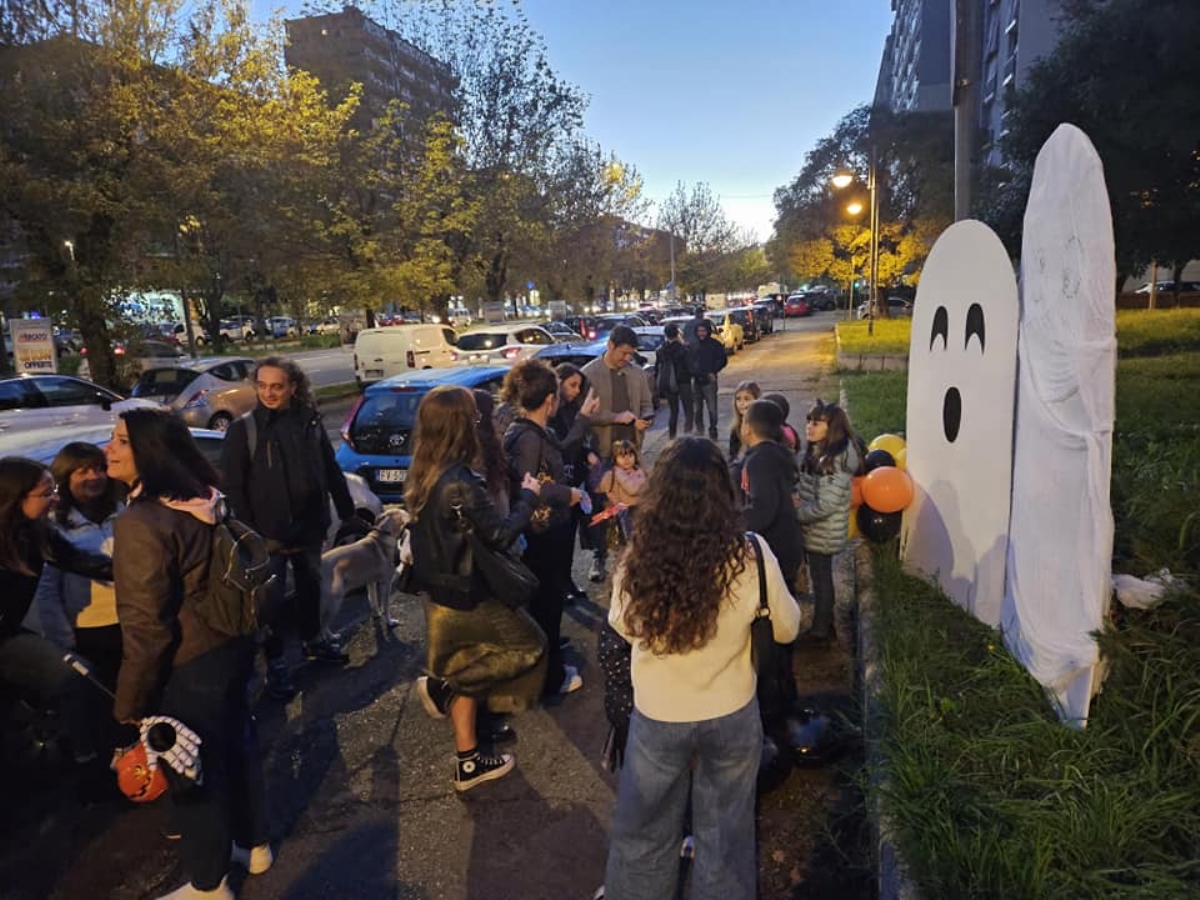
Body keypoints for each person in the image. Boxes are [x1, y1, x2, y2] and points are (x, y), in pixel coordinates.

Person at [603, 438, 801, 898]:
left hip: (657, 714)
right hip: (732, 710)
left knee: (644, 836)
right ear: (724, 491)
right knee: (726, 836)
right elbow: (788, 628)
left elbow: (625, 627)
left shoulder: (638, 558)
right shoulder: (750, 553)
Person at [106, 409, 271, 900]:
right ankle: (255, 845)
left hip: (189, 663)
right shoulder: (203, 499)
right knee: (237, 749)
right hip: (232, 646)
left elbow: (145, 628)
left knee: (192, 772)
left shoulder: (142, 523)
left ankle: (207, 883)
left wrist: (128, 705)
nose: (107, 450)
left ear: (149, 453)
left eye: (120, 442)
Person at [408, 386, 548, 791]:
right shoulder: (459, 480)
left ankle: (468, 762)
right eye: (472, 417)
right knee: (529, 646)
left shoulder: (423, 468)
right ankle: (444, 686)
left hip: (438, 590)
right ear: (460, 425)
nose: (477, 423)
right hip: (469, 592)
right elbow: (501, 535)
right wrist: (528, 496)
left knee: (469, 660)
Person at [220, 356, 362, 700]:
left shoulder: (309, 423)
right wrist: (251, 536)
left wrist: (347, 512)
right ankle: (276, 663)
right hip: (266, 537)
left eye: (277, 386)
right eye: (263, 385)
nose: (269, 393)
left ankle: (314, 640)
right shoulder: (244, 430)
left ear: (292, 388)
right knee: (269, 604)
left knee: (311, 589)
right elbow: (234, 488)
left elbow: (330, 470)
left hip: (309, 529)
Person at [0, 456, 112, 776]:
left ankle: (85, 763)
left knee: (77, 676)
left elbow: (79, 560)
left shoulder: (36, 533)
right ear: (14, 498)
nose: (56, 498)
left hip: (7, 637)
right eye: (46, 492)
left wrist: (131, 572)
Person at [502, 360, 589, 697]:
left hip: (544, 530)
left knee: (547, 604)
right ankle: (550, 679)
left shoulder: (525, 431)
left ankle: (550, 660)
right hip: (542, 533)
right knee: (546, 605)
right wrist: (569, 493)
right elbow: (529, 484)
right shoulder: (527, 437)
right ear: (550, 400)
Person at [35, 442, 126, 757]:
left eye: (99, 468)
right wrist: (62, 638)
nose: (95, 476)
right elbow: (47, 590)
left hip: (130, 621)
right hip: (88, 630)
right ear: (65, 476)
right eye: (83, 470)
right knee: (97, 706)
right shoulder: (54, 526)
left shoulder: (122, 511)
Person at [580, 325, 654, 582]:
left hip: (631, 451)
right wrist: (616, 418)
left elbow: (646, 404)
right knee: (602, 510)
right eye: (623, 353)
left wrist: (645, 419)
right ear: (610, 345)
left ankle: (634, 555)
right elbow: (583, 417)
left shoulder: (636, 374)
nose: (627, 359)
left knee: (634, 505)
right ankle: (599, 556)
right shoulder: (589, 374)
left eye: (630, 354)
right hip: (602, 454)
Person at [796, 399, 860, 645]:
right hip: (818, 529)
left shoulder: (834, 462)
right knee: (820, 578)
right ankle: (825, 625)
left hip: (823, 531)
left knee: (822, 581)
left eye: (816, 423)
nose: (809, 427)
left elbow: (827, 505)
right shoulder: (821, 452)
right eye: (808, 421)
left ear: (832, 427)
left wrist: (798, 514)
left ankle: (821, 630)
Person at [547, 364, 600, 604]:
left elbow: (577, 442)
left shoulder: (570, 410)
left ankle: (566, 581)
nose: (576, 391)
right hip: (560, 486)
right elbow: (563, 446)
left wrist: (587, 452)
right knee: (557, 540)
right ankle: (558, 585)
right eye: (572, 385)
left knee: (569, 538)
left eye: (579, 386)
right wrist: (584, 419)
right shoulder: (551, 415)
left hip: (576, 481)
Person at [596, 439, 647, 543]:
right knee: (628, 539)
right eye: (622, 456)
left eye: (630, 455)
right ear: (615, 458)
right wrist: (613, 500)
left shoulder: (639, 471)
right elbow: (602, 488)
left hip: (640, 508)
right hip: (623, 511)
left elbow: (642, 488)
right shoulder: (612, 474)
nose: (627, 459)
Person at [686, 319, 727, 440]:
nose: (701, 333)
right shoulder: (693, 345)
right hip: (697, 381)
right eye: (699, 331)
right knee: (697, 409)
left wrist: (713, 371)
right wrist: (693, 372)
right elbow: (688, 362)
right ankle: (700, 430)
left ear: (707, 331)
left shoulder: (714, 344)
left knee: (712, 408)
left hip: (709, 381)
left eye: (703, 331)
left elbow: (723, 360)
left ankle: (713, 430)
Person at [656, 323, 691, 439]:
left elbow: (658, 368)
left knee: (673, 411)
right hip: (683, 381)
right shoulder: (683, 349)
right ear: (677, 334)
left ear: (665, 335)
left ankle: (672, 437)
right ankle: (688, 435)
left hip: (669, 382)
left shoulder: (661, 350)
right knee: (688, 409)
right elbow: (689, 366)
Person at [727, 381, 762, 460]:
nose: (741, 403)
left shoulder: (763, 427)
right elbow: (732, 456)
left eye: (747, 399)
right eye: (738, 399)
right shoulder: (735, 429)